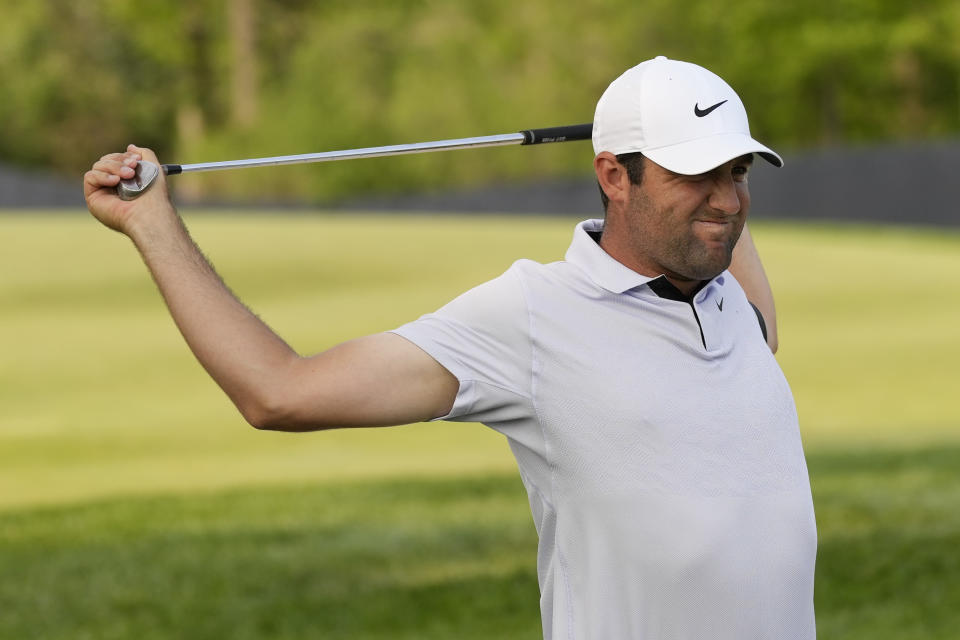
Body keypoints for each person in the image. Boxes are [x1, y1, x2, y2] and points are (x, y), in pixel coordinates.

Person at [85, 56, 816, 639]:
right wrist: (152, 224)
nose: (727, 200)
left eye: (738, 172)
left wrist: (691, 125)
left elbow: (759, 328)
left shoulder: (732, 308)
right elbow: (280, 392)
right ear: (611, 176)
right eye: (694, 175)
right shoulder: (532, 316)